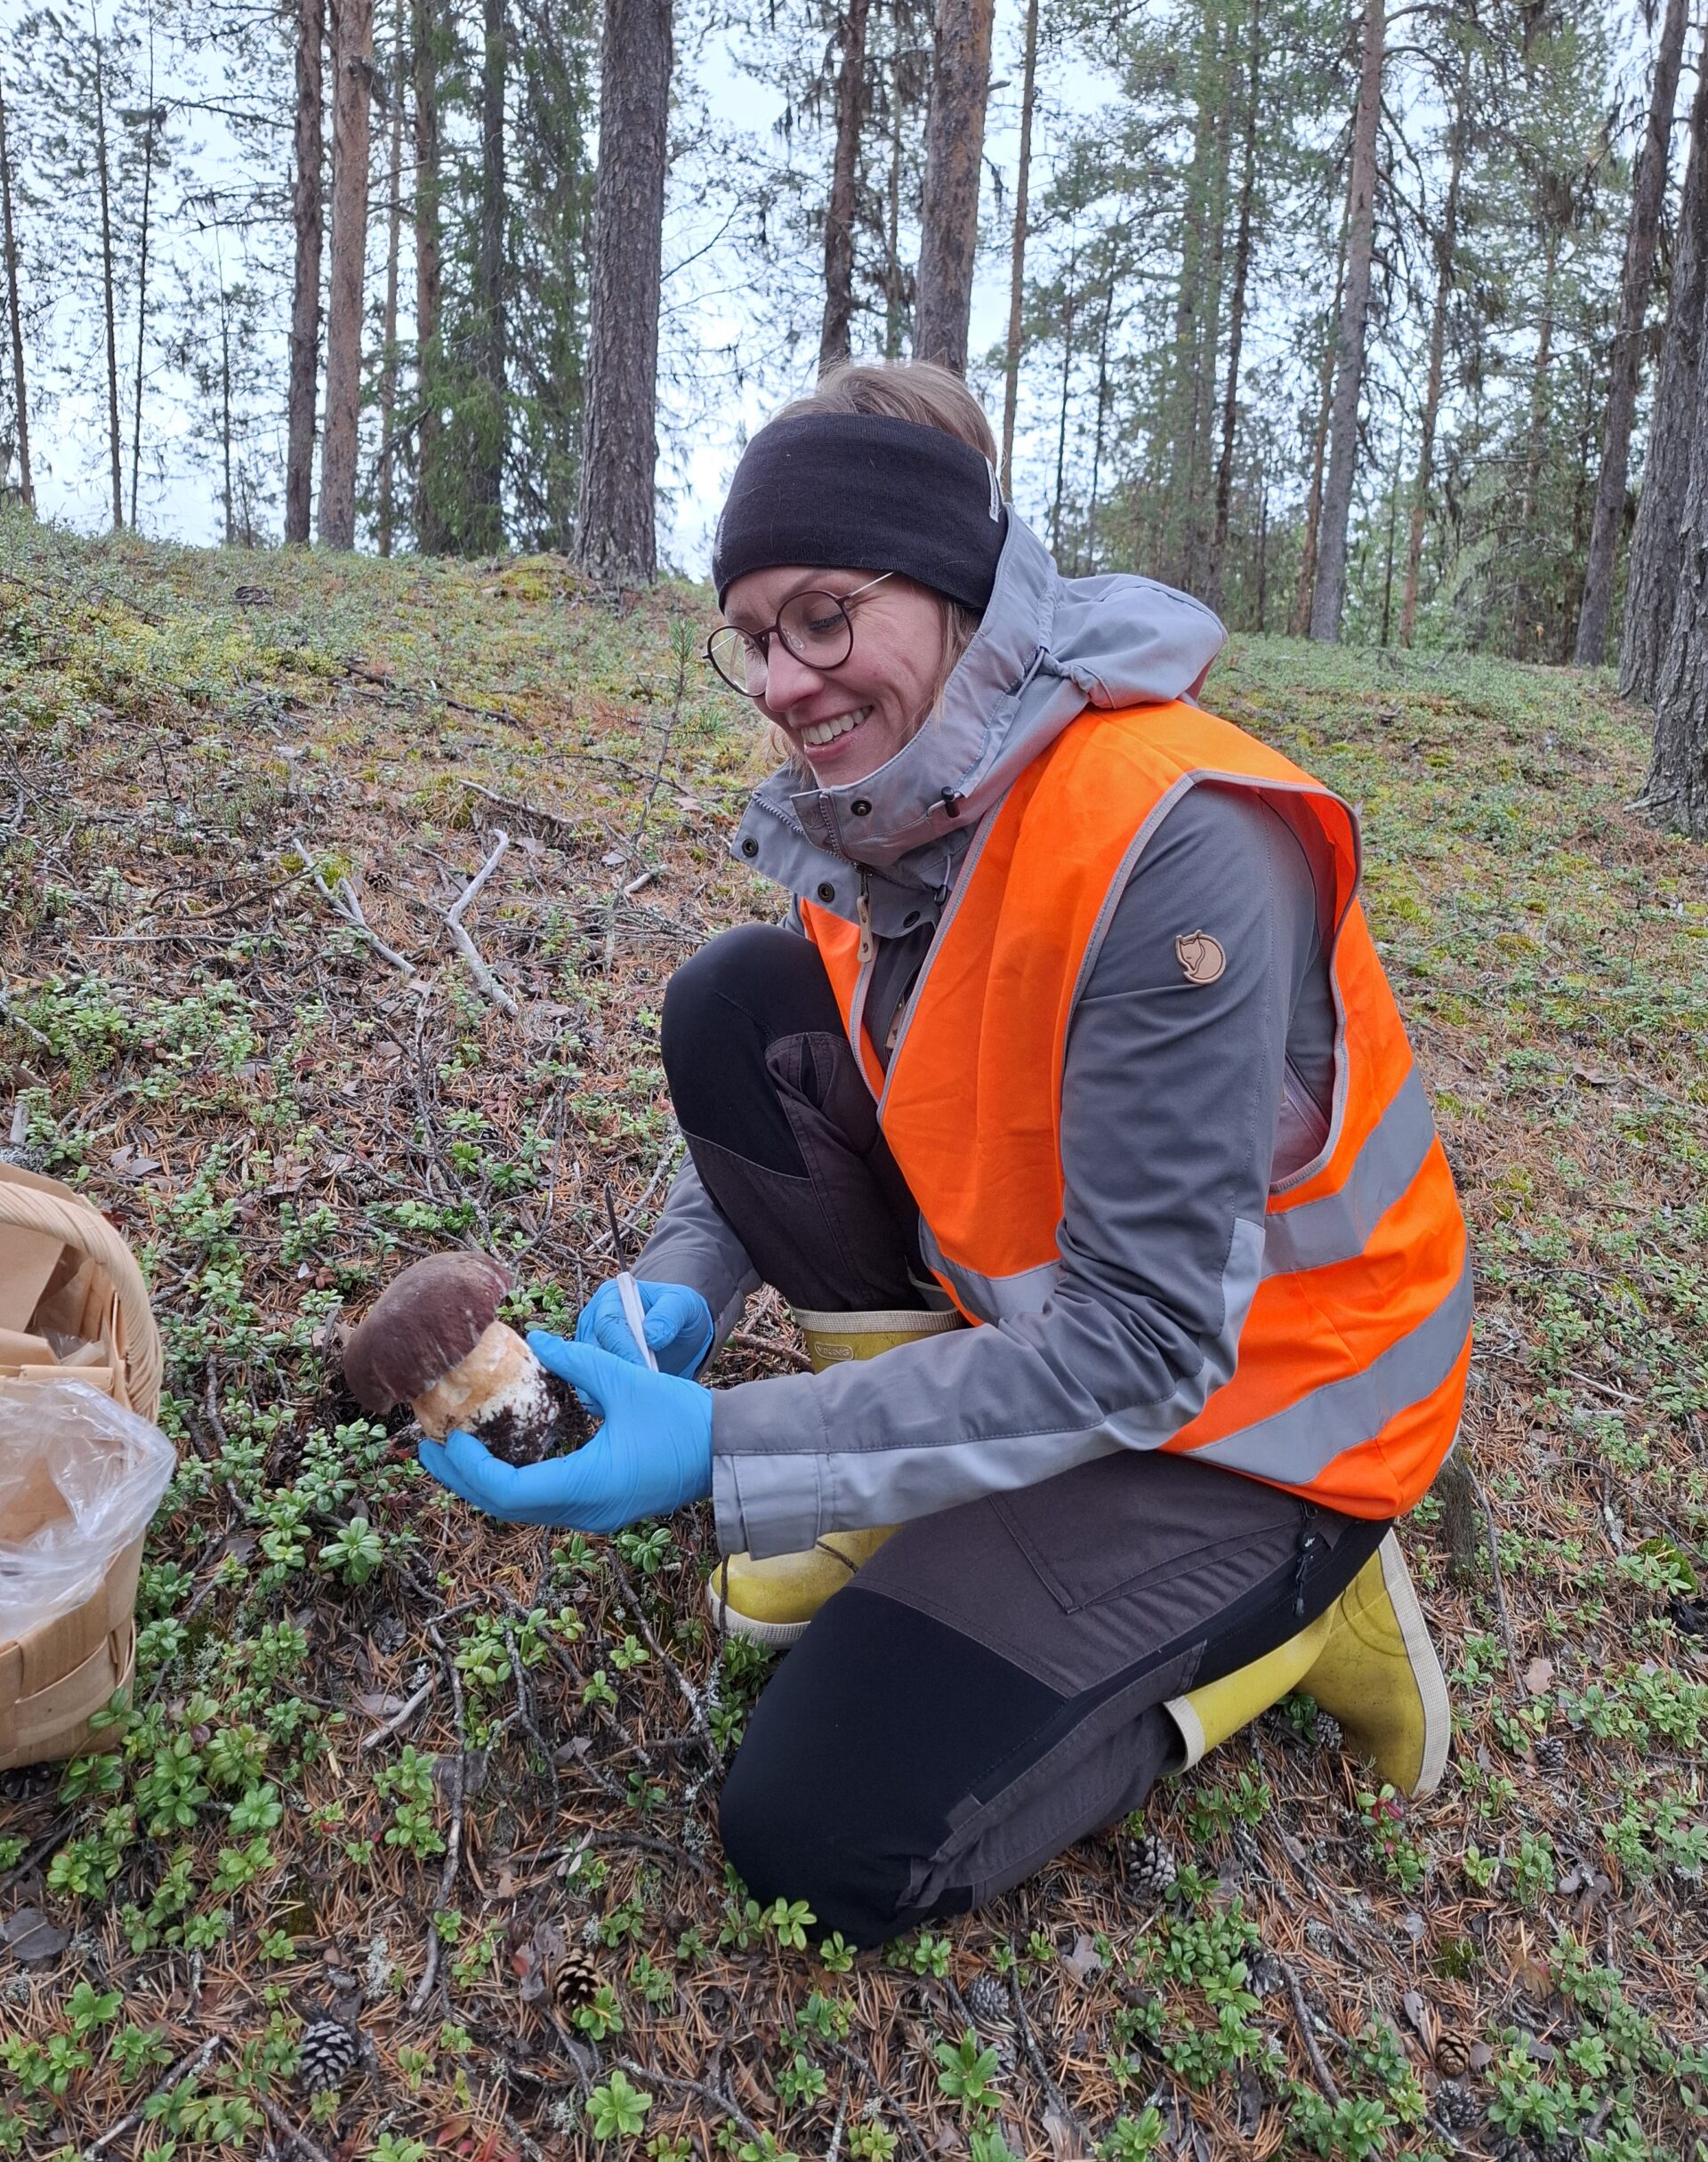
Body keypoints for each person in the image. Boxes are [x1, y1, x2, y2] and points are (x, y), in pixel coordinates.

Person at [421, 360, 1471, 1950]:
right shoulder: (888, 807)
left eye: (825, 616)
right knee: (739, 1006)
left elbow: (1144, 1346)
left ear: (961, 587)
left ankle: (1300, 1619)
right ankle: (905, 1505)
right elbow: (846, 1072)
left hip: (1267, 1424)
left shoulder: (1174, 843)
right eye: (754, 636)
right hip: (1062, 1353)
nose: (783, 680)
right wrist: (679, 1288)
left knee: (820, 1830)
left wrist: (733, 1450)